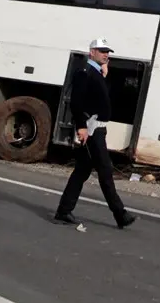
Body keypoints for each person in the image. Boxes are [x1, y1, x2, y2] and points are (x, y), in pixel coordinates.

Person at [54, 38, 136, 230]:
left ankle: (63, 211)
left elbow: (98, 97)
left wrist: (104, 76)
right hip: (92, 128)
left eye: (107, 51)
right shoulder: (84, 72)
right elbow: (77, 101)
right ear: (92, 52)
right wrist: (81, 126)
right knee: (105, 171)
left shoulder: (96, 72)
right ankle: (120, 214)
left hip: (99, 127)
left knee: (82, 171)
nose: (106, 54)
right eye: (101, 51)